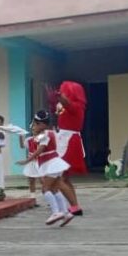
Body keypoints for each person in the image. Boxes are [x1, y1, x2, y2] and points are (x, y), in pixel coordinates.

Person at [18, 110, 76, 227]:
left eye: (37, 124)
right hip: (53, 163)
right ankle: (65, 213)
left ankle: (56, 212)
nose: (35, 126)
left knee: (45, 189)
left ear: (44, 124)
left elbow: (40, 149)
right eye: (34, 124)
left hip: (52, 164)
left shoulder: (45, 135)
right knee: (54, 189)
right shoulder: (47, 133)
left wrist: (27, 160)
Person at [55, 81, 87, 215]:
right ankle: (74, 205)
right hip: (64, 138)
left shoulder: (76, 106)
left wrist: (58, 95)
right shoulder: (69, 107)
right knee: (65, 178)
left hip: (68, 141)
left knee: (58, 177)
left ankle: (72, 205)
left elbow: (67, 103)